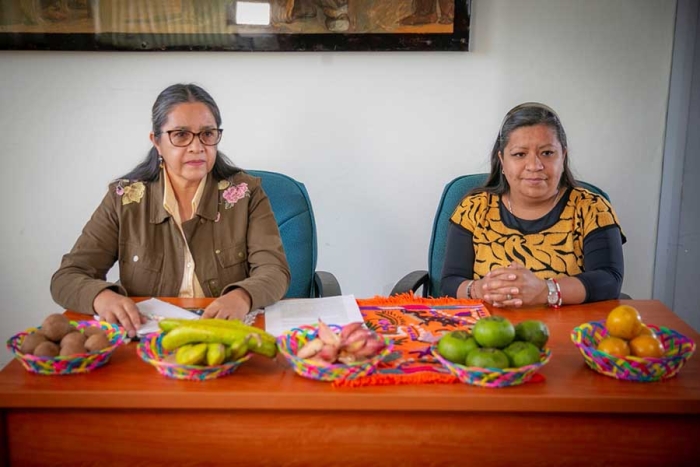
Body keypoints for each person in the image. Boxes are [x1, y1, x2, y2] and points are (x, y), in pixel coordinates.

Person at [51, 83, 291, 336]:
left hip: (224, 333)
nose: (197, 147)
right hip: (146, 338)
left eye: (207, 134)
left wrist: (242, 296)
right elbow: (67, 276)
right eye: (180, 135)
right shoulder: (125, 200)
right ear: (156, 141)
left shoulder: (245, 194)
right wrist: (101, 297)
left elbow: (274, 270)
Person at [441, 102, 625, 308]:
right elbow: (450, 281)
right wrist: (479, 289)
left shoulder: (591, 208)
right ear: (502, 160)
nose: (534, 166)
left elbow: (609, 280)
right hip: (488, 330)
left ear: (562, 156)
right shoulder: (474, 208)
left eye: (547, 153)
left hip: (568, 331)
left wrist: (548, 291)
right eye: (520, 154)